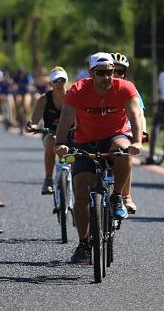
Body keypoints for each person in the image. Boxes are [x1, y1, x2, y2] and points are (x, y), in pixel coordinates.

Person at [55, 52, 144, 263]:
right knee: (81, 191)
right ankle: (84, 243)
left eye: (110, 73)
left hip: (116, 136)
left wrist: (137, 141)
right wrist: (60, 143)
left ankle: (117, 197)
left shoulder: (125, 87)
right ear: (91, 73)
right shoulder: (78, 89)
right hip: (85, 141)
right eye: (101, 73)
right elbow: (66, 118)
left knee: (122, 150)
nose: (107, 77)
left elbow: (134, 114)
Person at [110, 52, 147, 214]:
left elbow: (139, 114)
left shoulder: (131, 90)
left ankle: (126, 196)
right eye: (113, 71)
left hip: (124, 130)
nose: (116, 75)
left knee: (126, 154)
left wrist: (141, 133)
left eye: (120, 72)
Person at [25, 66, 70, 195]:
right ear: (51, 83)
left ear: (66, 81)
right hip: (50, 132)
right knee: (52, 143)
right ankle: (48, 179)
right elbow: (34, 119)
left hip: (71, 132)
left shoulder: (73, 97)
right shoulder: (44, 99)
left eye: (62, 80)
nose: (59, 83)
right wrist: (31, 125)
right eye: (56, 81)